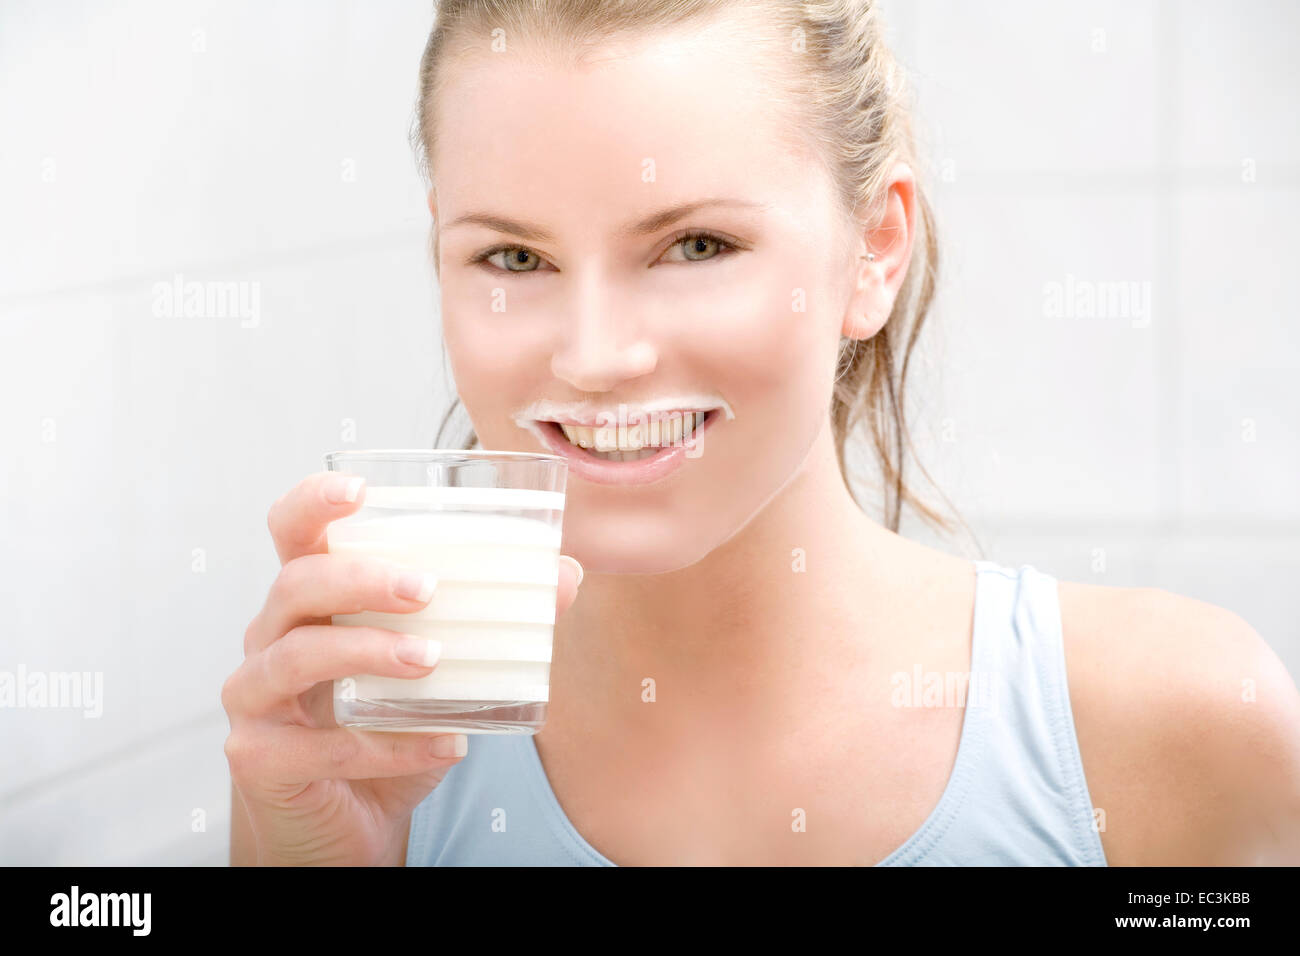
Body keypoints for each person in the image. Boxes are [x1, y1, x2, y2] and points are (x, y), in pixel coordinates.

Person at [223, 0, 1300, 866]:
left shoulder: (1170, 726)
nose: (594, 355)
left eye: (694, 244)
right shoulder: (375, 761)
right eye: (513, 258)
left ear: (874, 248)